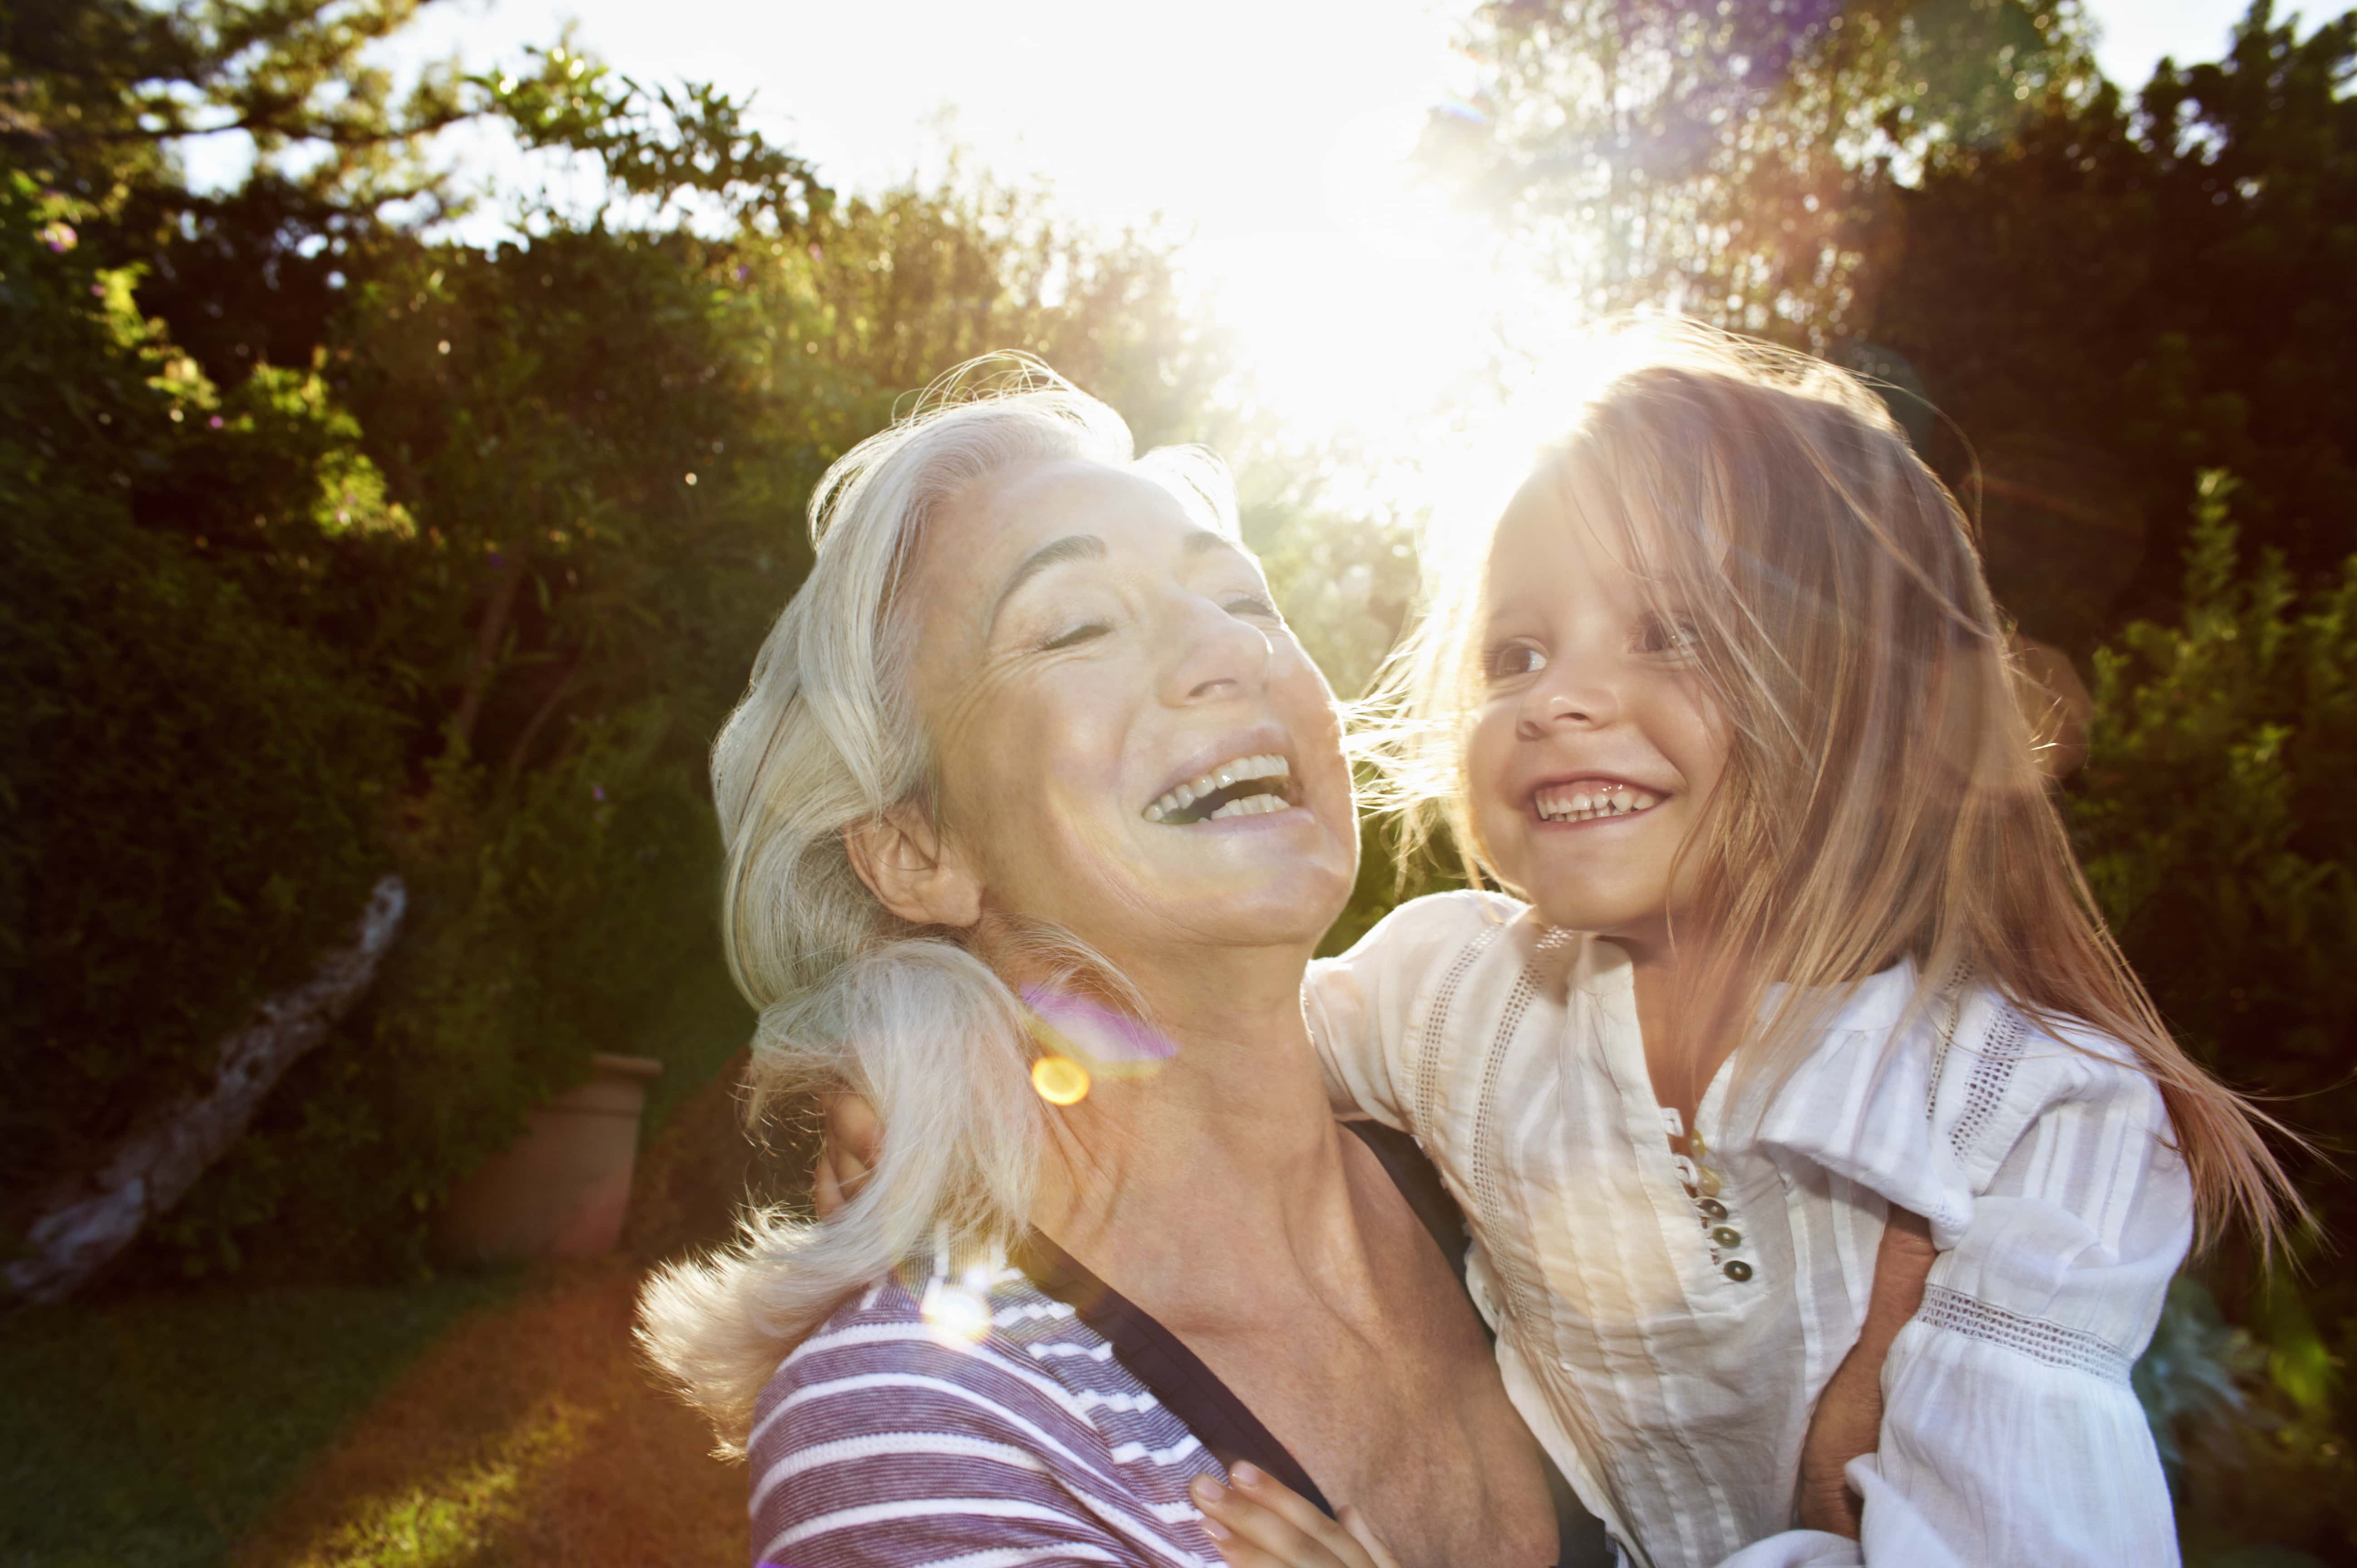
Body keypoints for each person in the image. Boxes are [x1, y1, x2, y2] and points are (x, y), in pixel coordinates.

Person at [1243, 322, 2302, 1566]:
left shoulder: (2028, 1120)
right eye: (1517, 655)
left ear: (1873, 711)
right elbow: (1173, 1054)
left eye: (1671, 631)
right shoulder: (1453, 996)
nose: (1555, 699)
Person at [638, 359, 1583, 1567]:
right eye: (1076, 624)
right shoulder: (920, 1422)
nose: (1224, 655)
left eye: (1246, 603)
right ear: (917, 848)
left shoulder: (1531, 1169)